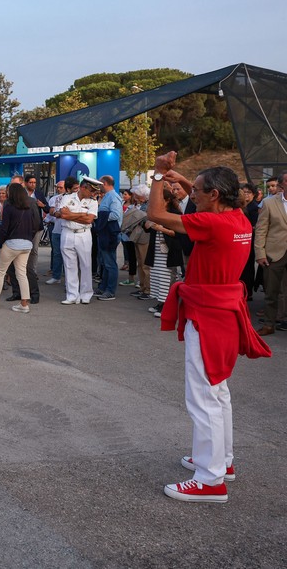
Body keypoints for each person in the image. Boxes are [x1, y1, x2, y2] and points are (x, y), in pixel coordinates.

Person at [148, 152, 271, 503]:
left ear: (214, 195)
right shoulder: (239, 219)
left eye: (198, 191)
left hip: (208, 313)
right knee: (218, 392)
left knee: (202, 397)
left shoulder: (214, 224)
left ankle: (210, 479)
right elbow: (201, 196)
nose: (192, 194)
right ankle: (221, 462)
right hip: (225, 311)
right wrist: (183, 178)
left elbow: (156, 214)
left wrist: (159, 176)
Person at [0, 183, 39, 313]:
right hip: (26, 244)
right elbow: (35, 226)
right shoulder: (28, 207)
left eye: (8, 191)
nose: (6, 193)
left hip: (12, 244)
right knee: (22, 273)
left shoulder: (9, 206)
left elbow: (4, 230)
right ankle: (24, 304)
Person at [254, 170, 287, 336]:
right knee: (272, 292)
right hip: (275, 253)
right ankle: (269, 324)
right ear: (282, 184)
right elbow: (261, 230)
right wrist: (260, 253)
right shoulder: (269, 203)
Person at [56, 177, 99, 305]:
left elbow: (89, 220)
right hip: (67, 233)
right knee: (69, 265)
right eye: (91, 190)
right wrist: (81, 214)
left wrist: (72, 215)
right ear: (83, 187)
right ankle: (72, 295)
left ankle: (86, 294)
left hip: (83, 234)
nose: (93, 194)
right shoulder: (67, 198)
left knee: (86, 265)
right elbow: (63, 215)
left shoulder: (93, 202)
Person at [144, 188, 182, 317]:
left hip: (169, 250)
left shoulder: (175, 213)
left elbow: (178, 233)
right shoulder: (156, 213)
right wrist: (148, 224)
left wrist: (162, 229)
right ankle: (160, 302)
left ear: (167, 200)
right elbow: (147, 227)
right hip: (156, 250)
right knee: (156, 276)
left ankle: (167, 305)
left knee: (166, 277)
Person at [93, 175, 124, 301]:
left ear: (104, 183)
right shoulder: (108, 197)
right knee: (105, 263)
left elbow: (115, 215)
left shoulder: (113, 197)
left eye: (100, 184)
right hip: (105, 234)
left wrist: (100, 219)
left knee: (110, 263)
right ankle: (103, 287)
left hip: (110, 235)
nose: (99, 187)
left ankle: (110, 291)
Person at [239, 183, 259, 301]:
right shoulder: (242, 207)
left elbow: (255, 226)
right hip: (241, 240)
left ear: (253, 194)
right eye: (244, 192)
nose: (246, 194)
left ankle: (248, 291)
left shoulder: (254, 208)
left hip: (249, 240)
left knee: (248, 267)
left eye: (248, 192)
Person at [45, 180, 67, 285]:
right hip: (56, 229)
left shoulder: (71, 198)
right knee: (56, 253)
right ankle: (56, 276)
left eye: (61, 187)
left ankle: (69, 277)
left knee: (68, 254)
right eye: (57, 187)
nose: (58, 189)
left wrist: (59, 213)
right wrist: (57, 213)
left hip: (67, 229)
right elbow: (51, 211)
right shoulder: (55, 198)